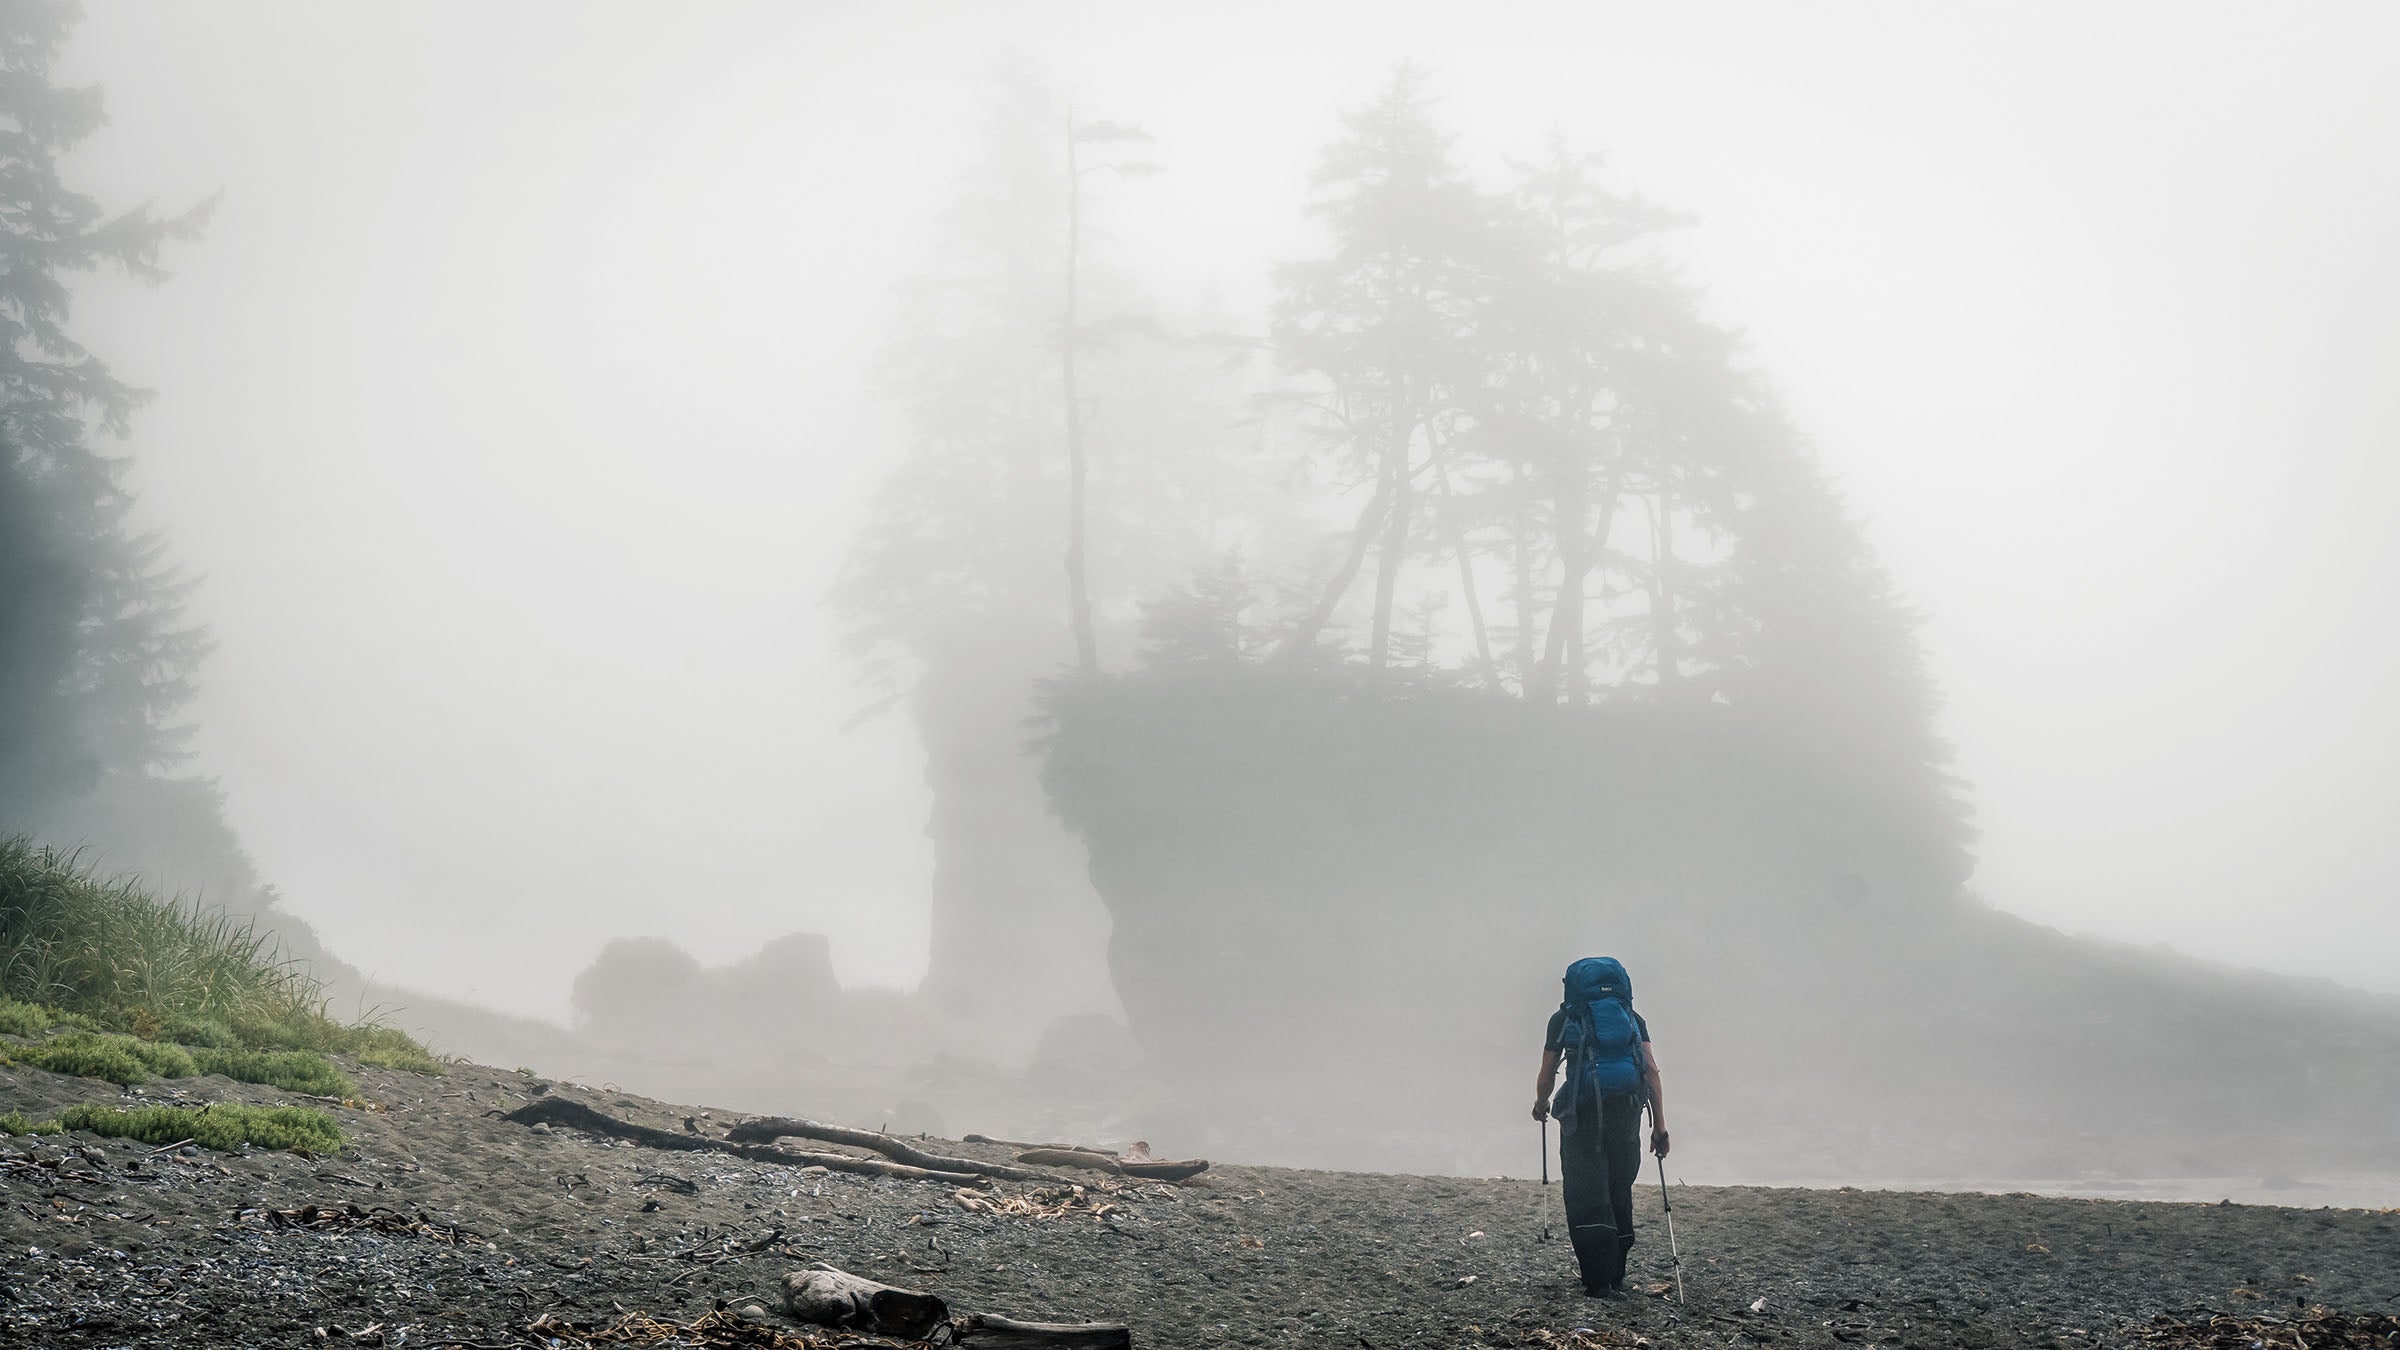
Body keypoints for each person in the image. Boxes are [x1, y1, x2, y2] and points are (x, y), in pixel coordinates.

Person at [1532, 956, 1669, 1298]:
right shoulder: (1632, 1019)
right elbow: (1651, 1071)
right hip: (1625, 1113)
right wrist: (1660, 1126)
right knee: (1618, 1188)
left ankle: (1598, 1281)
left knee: (1585, 1193)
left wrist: (1541, 1103)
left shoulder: (1564, 1018)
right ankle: (1617, 1274)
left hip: (1583, 1115)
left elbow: (1548, 1073)